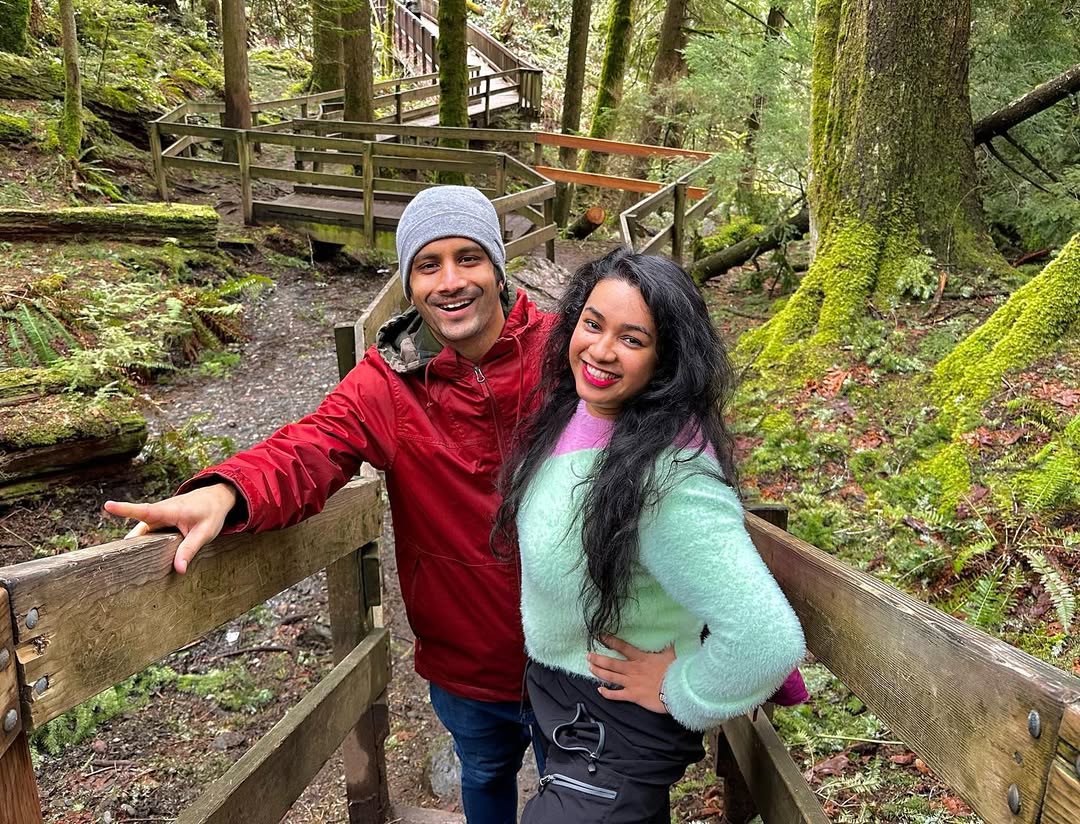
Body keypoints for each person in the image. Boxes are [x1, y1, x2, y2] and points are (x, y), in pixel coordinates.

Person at [105, 185, 553, 824]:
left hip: (574, 650)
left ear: (498, 268)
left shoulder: (564, 354)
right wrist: (226, 491)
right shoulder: (388, 385)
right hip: (467, 654)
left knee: (575, 796)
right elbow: (310, 447)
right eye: (428, 265)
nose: (450, 281)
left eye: (469, 258)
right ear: (408, 282)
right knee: (484, 775)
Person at [492, 249, 807, 823]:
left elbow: (766, 638)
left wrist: (678, 690)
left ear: (666, 360)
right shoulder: (582, 414)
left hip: (610, 733)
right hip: (569, 709)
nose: (602, 350)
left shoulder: (669, 475)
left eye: (632, 339)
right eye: (593, 324)